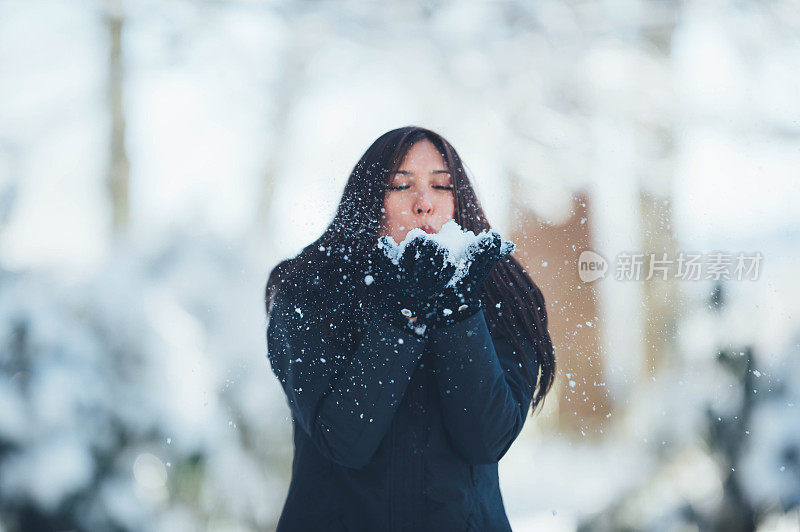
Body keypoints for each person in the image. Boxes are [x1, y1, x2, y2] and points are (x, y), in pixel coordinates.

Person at [264, 126, 555, 531]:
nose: (424, 204)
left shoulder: (498, 294)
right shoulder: (312, 292)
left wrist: (458, 314)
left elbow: (486, 439)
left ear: (460, 201)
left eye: (442, 186)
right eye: (401, 186)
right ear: (369, 202)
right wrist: (403, 318)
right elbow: (344, 439)